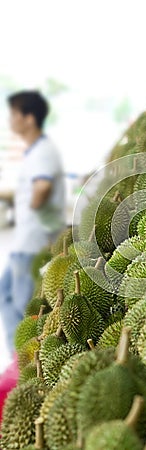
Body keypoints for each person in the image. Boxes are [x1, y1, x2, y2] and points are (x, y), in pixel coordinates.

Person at [0, 90, 66, 357]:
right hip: (26, 240)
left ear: (29, 118)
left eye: (14, 114)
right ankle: (18, 359)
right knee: (6, 295)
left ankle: (22, 363)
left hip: (34, 242)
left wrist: (33, 205)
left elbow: (42, 187)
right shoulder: (37, 150)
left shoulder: (42, 152)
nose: (10, 119)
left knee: (24, 308)